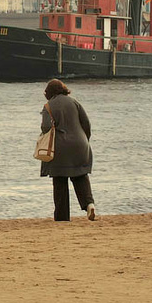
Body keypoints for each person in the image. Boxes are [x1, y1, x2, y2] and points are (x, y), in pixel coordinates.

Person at [39, 79, 97, 222]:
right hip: (80, 144)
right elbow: (86, 123)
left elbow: (46, 127)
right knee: (80, 176)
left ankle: (62, 217)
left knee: (60, 180)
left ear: (49, 93)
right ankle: (89, 204)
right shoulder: (75, 102)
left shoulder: (48, 107)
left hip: (60, 148)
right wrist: (84, 139)